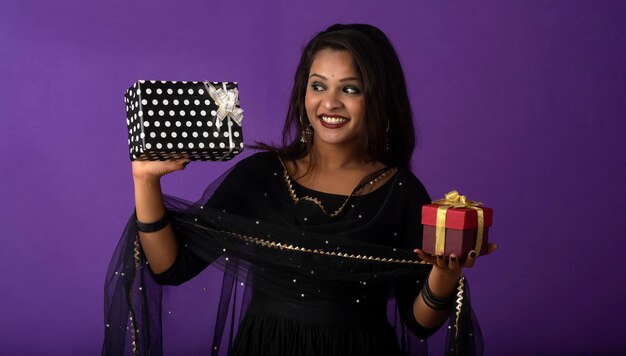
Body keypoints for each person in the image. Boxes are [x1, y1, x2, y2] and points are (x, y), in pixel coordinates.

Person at [103, 23, 496, 356]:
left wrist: (446, 275)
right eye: (318, 85)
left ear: (379, 97)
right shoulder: (259, 176)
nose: (330, 102)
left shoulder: (403, 193)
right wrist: (146, 179)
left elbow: (420, 323)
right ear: (303, 93)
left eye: (350, 89)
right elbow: (170, 267)